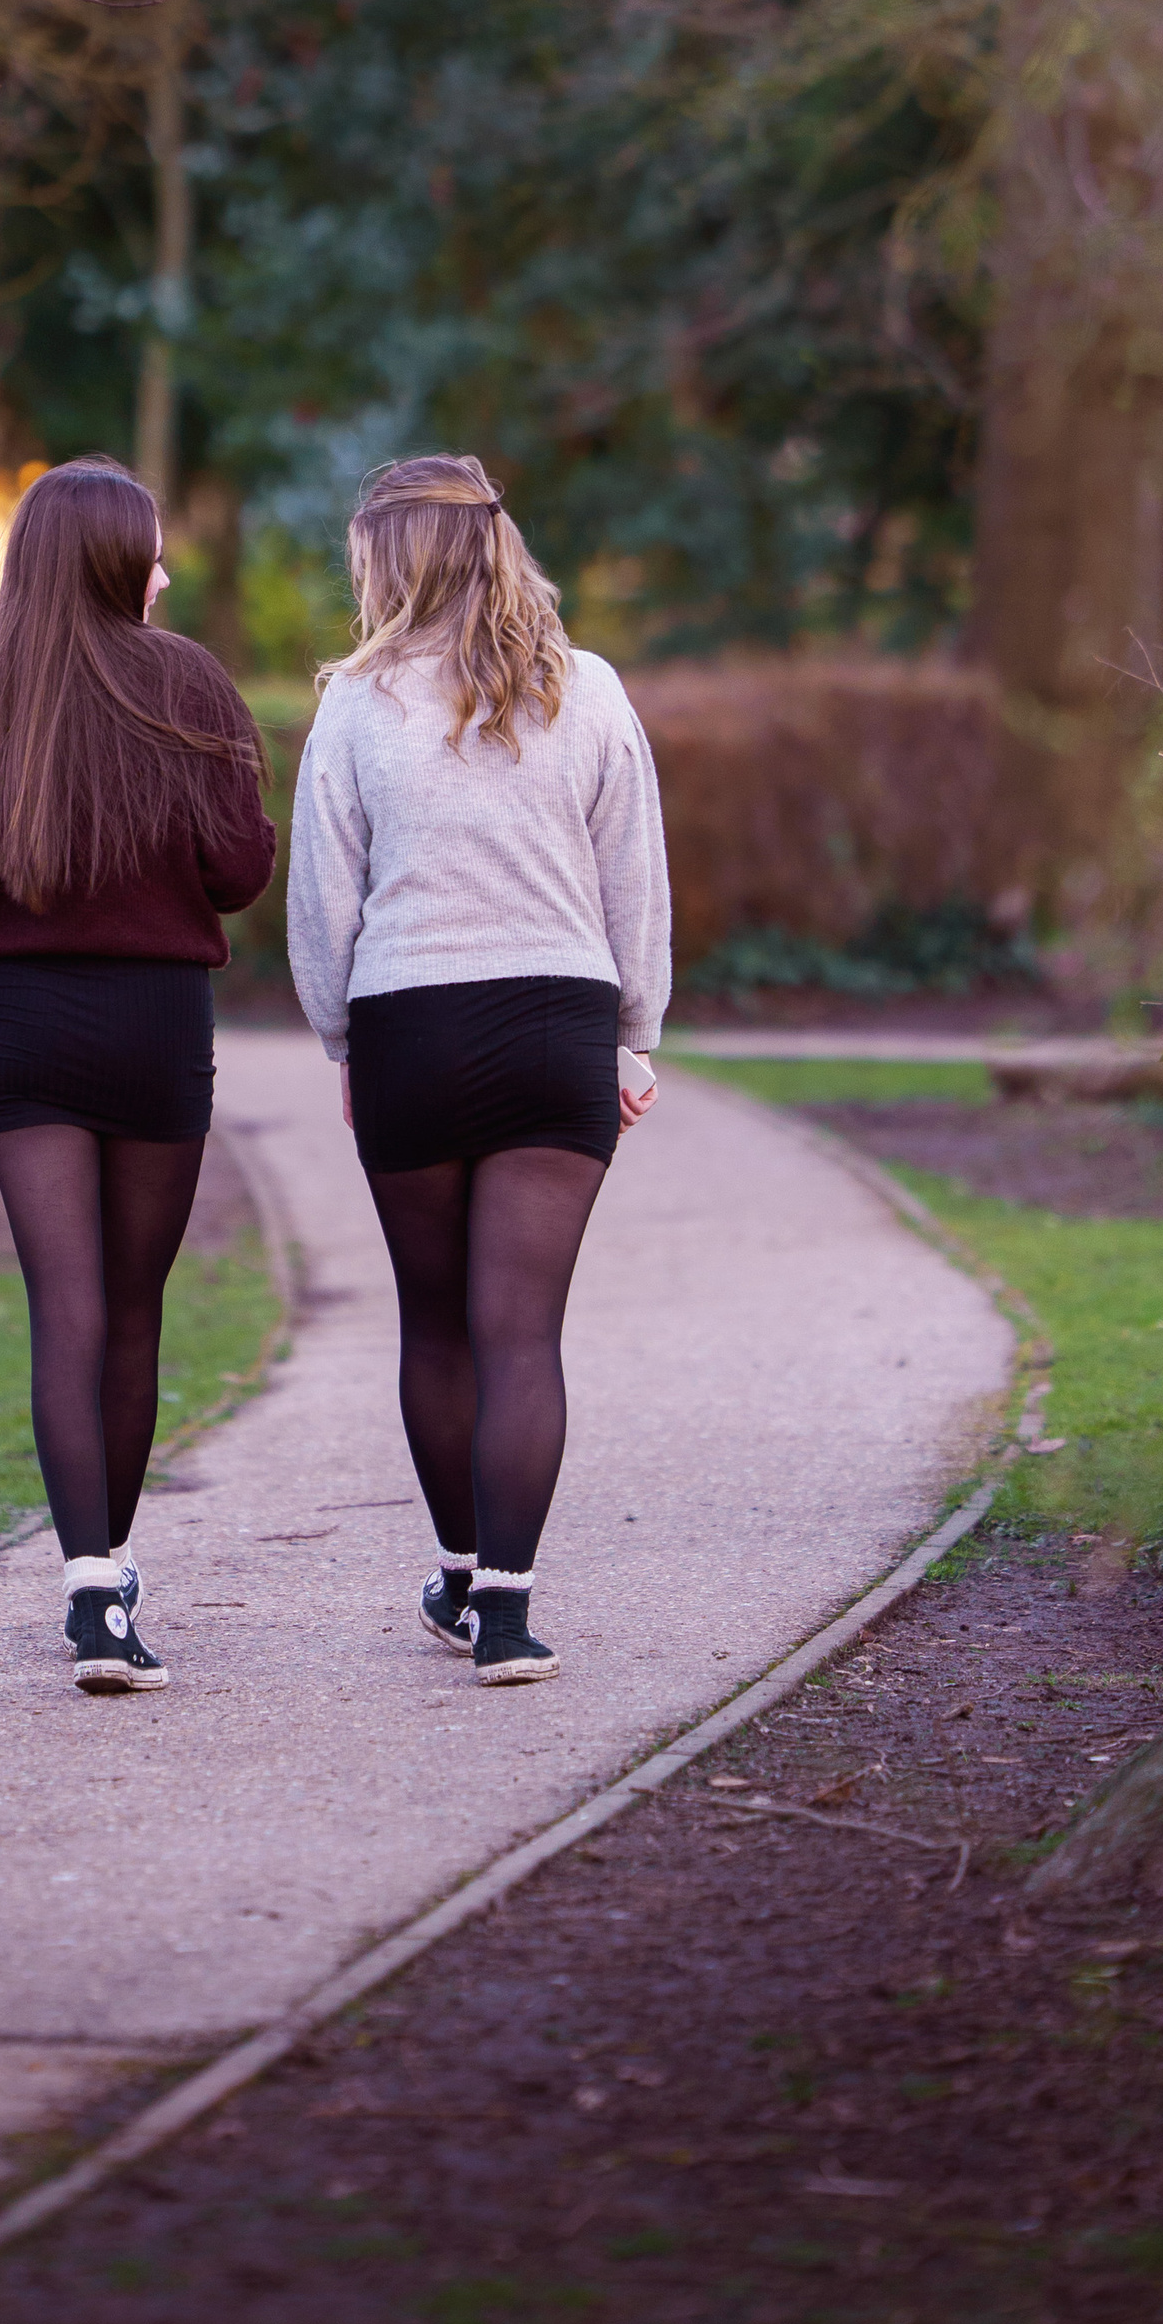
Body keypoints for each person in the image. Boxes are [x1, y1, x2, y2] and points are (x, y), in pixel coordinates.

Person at [286, 455, 670, 1688]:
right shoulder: (592, 691)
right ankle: (504, 1610)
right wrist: (633, 1030)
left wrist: (340, 1037)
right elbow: (634, 878)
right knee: (523, 1332)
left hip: (413, 1023)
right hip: (557, 1023)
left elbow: (322, 903)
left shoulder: (354, 705)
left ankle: (457, 1570)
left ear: (388, 561)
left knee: (437, 1323)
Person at [0, 459, 276, 1693]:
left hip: (26, 1029)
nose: (165, 571)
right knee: (132, 1310)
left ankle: (91, 1591)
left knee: (64, 1307)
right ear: (117, 560)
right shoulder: (192, 683)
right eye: (154, 551)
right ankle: (111, 1576)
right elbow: (235, 873)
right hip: (159, 1027)